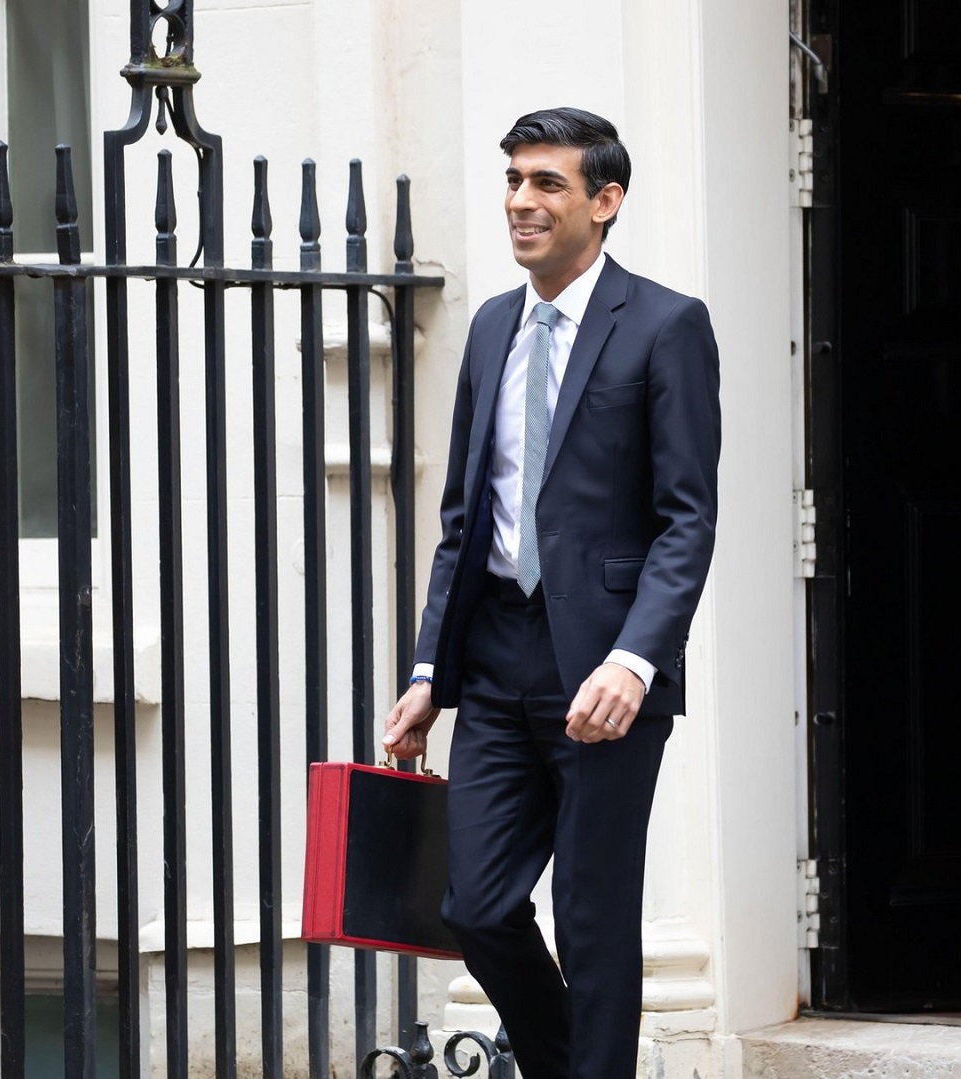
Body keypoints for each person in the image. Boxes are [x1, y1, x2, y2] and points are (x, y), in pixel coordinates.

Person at [382, 107, 720, 1077]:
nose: (521, 202)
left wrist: (635, 656)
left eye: (547, 184)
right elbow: (463, 518)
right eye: (514, 180)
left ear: (604, 203)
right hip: (495, 659)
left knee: (592, 915)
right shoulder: (491, 326)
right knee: (475, 904)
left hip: (606, 670)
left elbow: (685, 517)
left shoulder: (666, 325)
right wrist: (426, 671)